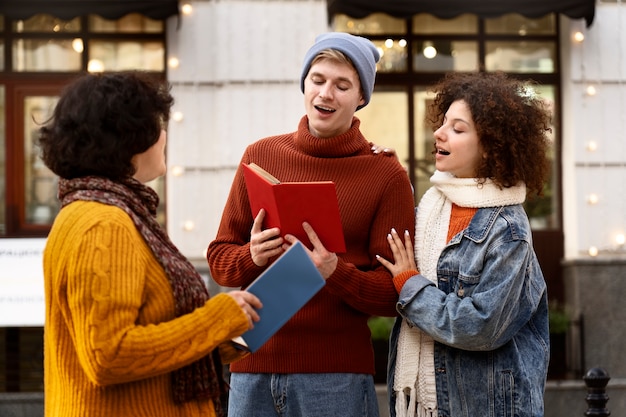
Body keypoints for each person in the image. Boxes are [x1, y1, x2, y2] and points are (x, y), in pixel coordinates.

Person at [206, 32, 416, 417]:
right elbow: (219, 259)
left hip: (335, 376)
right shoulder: (259, 155)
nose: (326, 93)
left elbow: (395, 294)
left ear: (361, 98)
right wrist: (252, 255)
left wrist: (335, 272)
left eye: (342, 85)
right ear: (304, 84)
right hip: (252, 366)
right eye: (317, 80)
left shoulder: (385, 175)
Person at [38, 71, 262, 417]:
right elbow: (108, 355)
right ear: (130, 139)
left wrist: (227, 331)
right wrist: (216, 319)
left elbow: (151, 340)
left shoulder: (105, 211)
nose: (164, 136)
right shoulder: (104, 223)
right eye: (157, 124)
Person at [376, 71, 551, 417]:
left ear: (490, 147)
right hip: (428, 404)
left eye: (458, 129)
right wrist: (389, 177)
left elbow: (480, 326)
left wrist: (410, 286)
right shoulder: (431, 208)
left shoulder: (508, 229)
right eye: (442, 123)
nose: (440, 133)